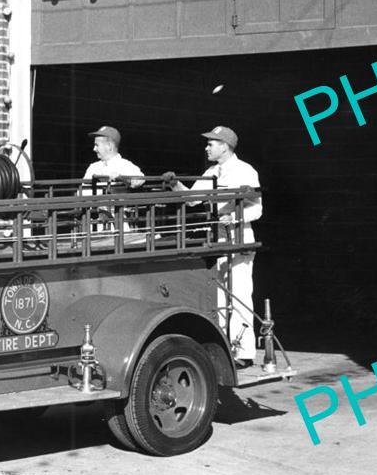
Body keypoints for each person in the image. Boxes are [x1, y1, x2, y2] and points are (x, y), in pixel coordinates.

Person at [166, 126, 263, 365]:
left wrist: (236, 218)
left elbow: (258, 208)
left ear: (225, 146)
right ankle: (221, 349)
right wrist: (175, 184)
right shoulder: (211, 172)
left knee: (239, 293)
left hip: (239, 236)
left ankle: (244, 352)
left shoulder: (245, 171)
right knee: (217, 296)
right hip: (217, 237)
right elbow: (192, 200)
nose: (206, 147)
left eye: (211, 143)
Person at [81, 126, 145, 233]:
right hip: (92, 223)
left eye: (97, 145)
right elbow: (82, 193)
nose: (94, 149)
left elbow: (140, 180)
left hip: (117, 223)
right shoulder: (93, 167)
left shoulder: (125, 165)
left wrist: (121, 178)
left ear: (109, 146)